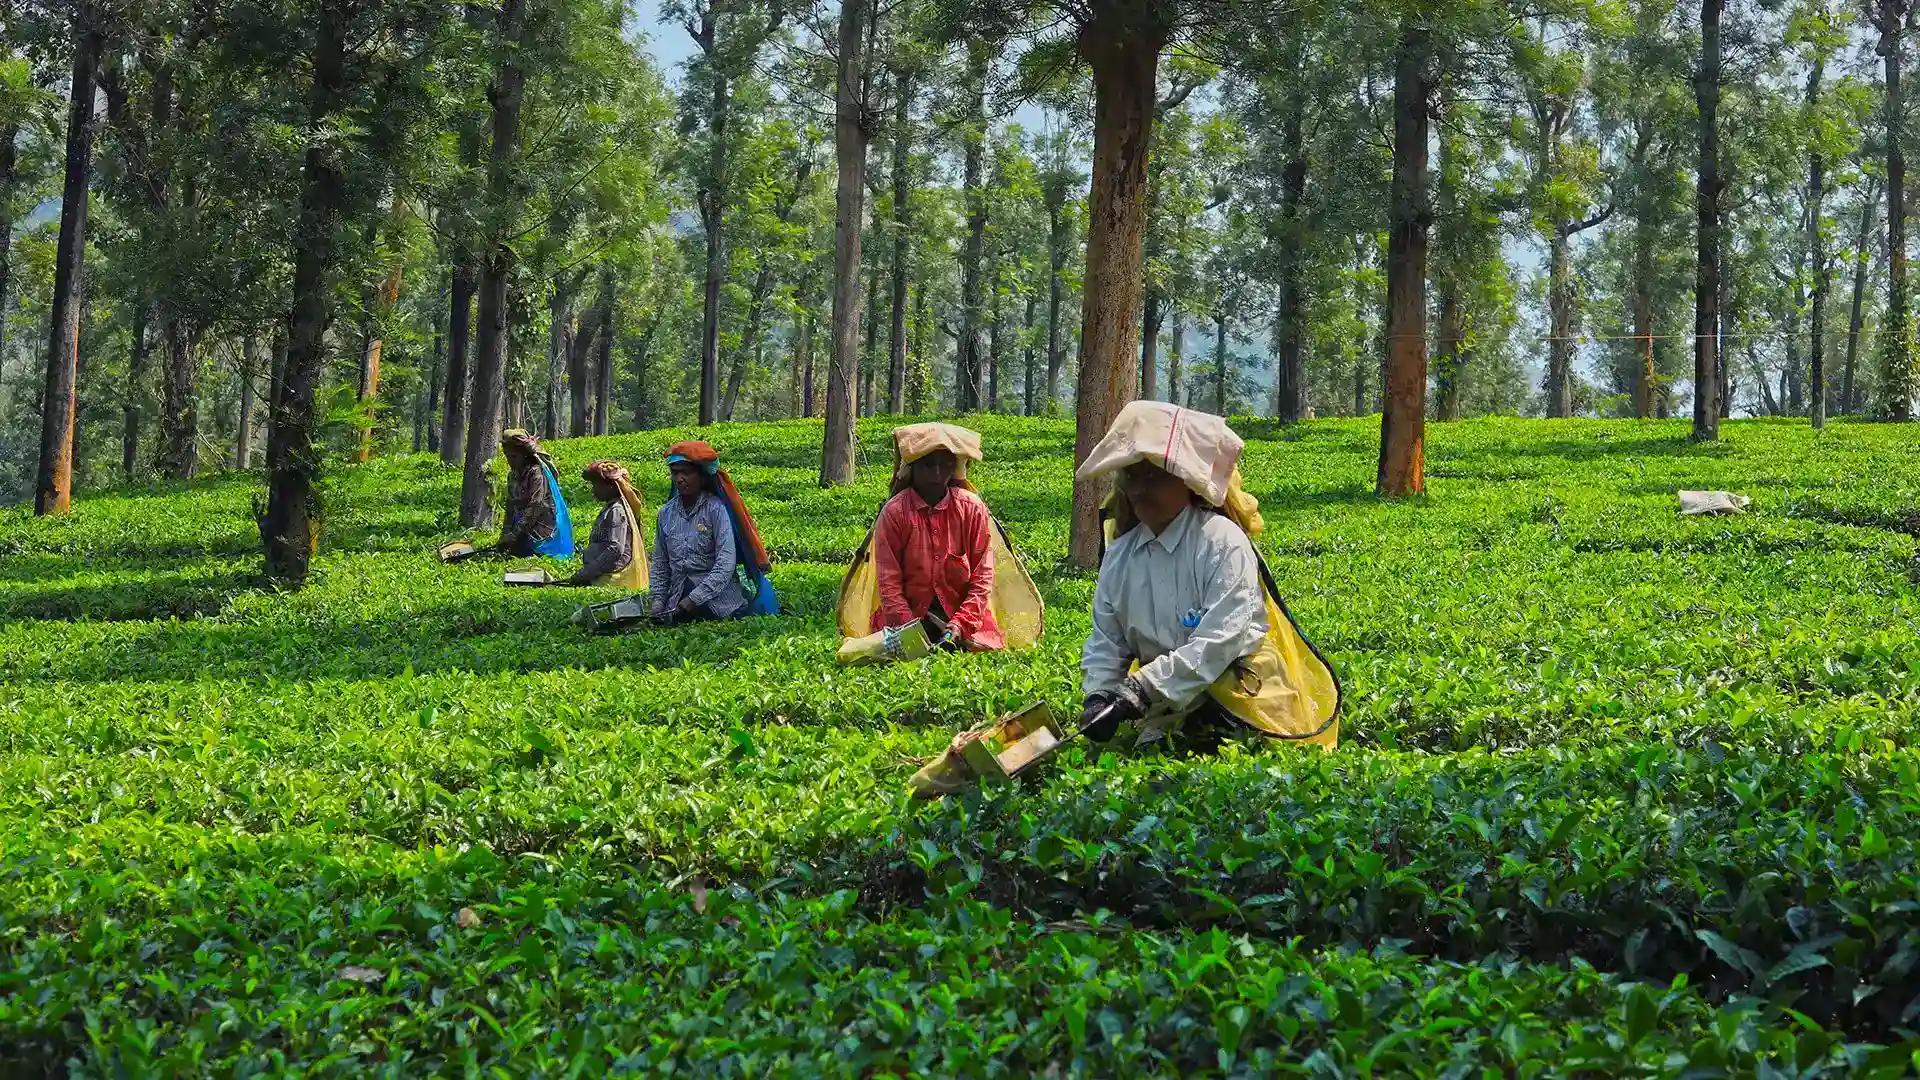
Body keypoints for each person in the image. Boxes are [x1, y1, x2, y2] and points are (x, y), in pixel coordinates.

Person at [1075, 401, 1340, 751]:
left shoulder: (1221, 541)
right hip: (1168, 700)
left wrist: (1141, 688)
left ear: (1186, 482)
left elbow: (1221, 641)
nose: (1140, 489)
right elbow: (1107, 640)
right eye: (1132, 477)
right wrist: (1099, 694)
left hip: (1242, 700)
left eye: (1154, 477)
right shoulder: (1121, 555)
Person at [836, 423, 1046, 656]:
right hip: (908, 616)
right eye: (928, 465)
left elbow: (982, 577)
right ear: (913, 468)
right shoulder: (895, 512)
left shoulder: (971, 509)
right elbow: (889, 584)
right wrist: (910, 630)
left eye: (945, 465)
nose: (937, 474)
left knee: (970, 647)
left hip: (963, 619)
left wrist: (959, 624)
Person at [650, 441, 778, 623]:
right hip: (677, 602)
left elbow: (725, 564)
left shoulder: (715, 510)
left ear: (702, 476)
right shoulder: (666, 513)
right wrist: (657, 602)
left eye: (686, 472)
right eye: (675, 472)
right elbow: (660, 564)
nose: (679, 479)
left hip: (719, 605)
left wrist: (694, 599)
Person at [565, 460, 649, 588]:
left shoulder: (617, 510)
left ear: (610, 486)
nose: (593, 491)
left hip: (613, 578)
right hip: (604, 573)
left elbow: (615, 549)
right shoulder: (610, 508)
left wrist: (588, 572)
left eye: (596, 485)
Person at [492, 430, 574, 558]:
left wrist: (515, 535)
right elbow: (511, 506)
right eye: (507, 457)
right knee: (507, 550)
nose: (510, 461)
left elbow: (536, 505)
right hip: (521, 523)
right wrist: (505, 534)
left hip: (541, 525)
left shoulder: (536, 473)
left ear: (524, 455)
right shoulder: (512, 475)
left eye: (514, 457)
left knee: (524, 550)